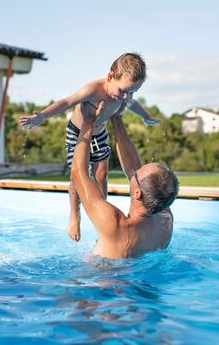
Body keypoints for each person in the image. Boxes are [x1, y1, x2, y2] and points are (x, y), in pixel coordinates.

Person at [19, 53, 160, 242]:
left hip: (100, 133)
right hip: (78, 133)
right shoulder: (94, 90)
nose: (126, 97)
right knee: (78, 175)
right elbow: (67, 102)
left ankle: (102, 214)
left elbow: (132, 104)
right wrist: (42, 116)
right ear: (111, 77)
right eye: (123, 91)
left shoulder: (124, 95)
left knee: (101, 174)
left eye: (132, 92)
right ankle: (74, 215)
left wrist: (146, 116)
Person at [71, 101, 179, 259]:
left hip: (101, 278)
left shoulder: (115, 225)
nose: (135, 170)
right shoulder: (165, 218)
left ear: (137, 193)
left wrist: (88, 122)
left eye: (137, 173)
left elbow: (78, 172)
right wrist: (116, 118)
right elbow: (133, 165)